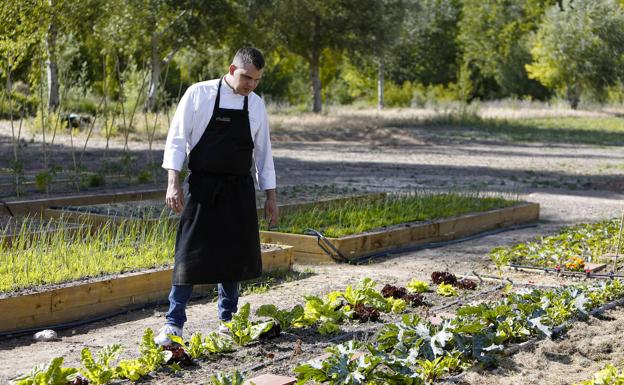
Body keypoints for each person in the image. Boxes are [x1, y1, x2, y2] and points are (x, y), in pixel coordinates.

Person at [156, 47, 278, 345]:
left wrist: (271, 197)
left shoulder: (257, 105)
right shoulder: (199, 94)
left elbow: (264, 154)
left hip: (239, 188)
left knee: (233, 255)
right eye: (247, 77)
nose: (251, 84)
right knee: (188, 252)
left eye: (257, 80)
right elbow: (177, 139)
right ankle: (174, 323)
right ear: (232, 69)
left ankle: (228, 320)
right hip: (203, 187)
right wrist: (173, 182)